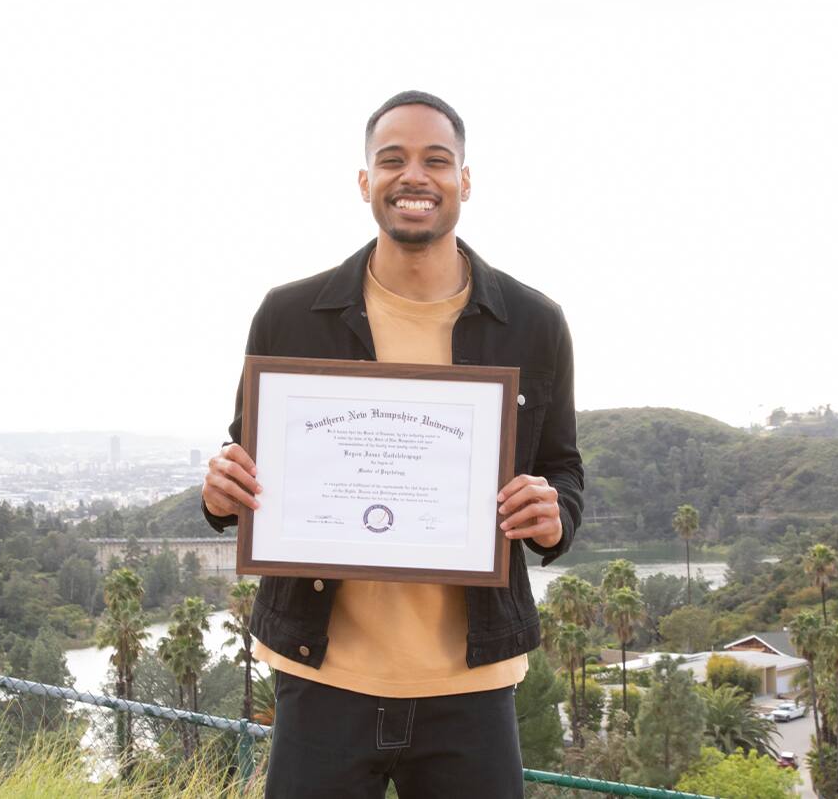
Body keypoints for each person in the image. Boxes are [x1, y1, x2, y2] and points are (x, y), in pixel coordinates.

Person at [200, 90, 584, 799]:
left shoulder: (534, 323)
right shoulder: (290, 314)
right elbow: (245, 456)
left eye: (436, 160)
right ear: (364, 181)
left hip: (472, 684)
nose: (414, 176)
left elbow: (562, 469)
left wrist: (553, 513)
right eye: (392, 160)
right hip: (321, 676)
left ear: (464, 179)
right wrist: (222, 491)